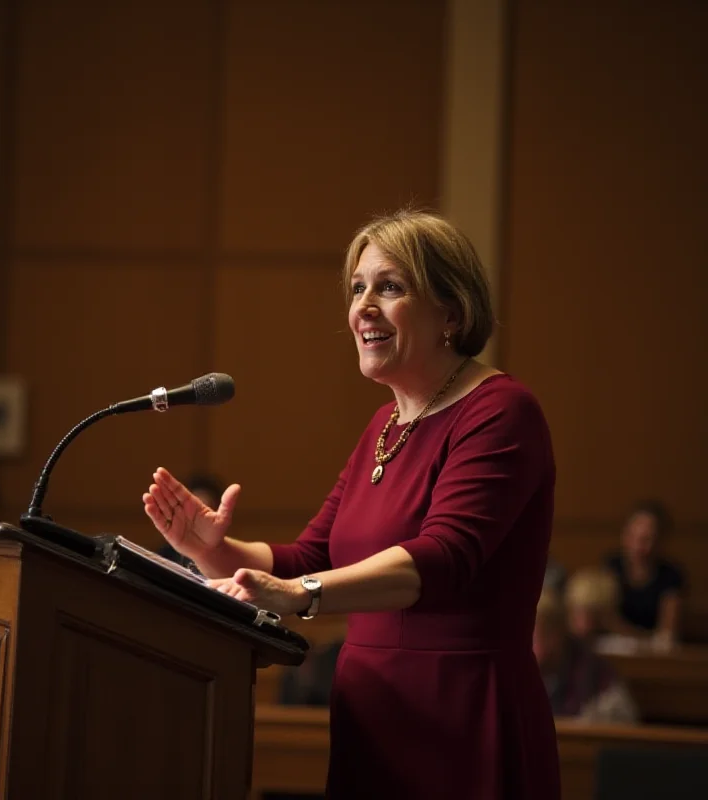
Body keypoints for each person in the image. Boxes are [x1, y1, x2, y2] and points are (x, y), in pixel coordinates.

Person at [143, 210, 560, 799]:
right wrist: (212, 549)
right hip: (372, 714)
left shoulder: (500, 411)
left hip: (462, 713)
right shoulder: (385, 425)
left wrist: (302, 596)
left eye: (389, 286)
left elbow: (444, 558)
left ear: (451, 311)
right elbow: (311, 554)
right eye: (358, 287)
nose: (363, 305)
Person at [533, 589, 638, 724]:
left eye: (536, 636)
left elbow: (624, 722)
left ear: (558, 633)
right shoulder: (515, 675)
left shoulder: (595, 672)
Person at [604, 500, 685, 645]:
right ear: (624, 536)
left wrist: (630, 635)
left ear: (660, 541)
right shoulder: (611, 567)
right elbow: (605, 620)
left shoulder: (671, 576)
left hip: (654, 657)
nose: (638, 546)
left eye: (647, 539)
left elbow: (667, 635)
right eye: (633, 536)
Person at [157, 474, 223, 571]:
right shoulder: (165, 554)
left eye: (207, 511)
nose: (201, 520)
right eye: (195, 512)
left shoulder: (226, 557)